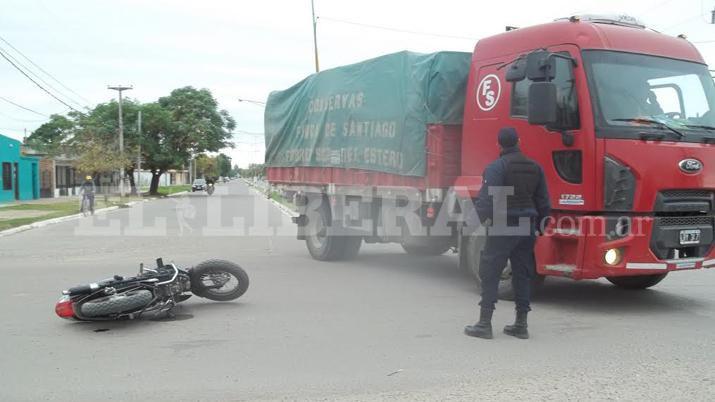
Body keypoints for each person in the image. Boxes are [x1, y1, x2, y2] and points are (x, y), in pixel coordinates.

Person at [464, 127, 551, 340]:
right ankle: (521, 325)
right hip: (526, 226)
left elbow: (487, 201)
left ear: (498, 144)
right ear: (519, 141)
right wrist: (540, 226)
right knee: (522, 274)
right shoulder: (535, 168)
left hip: (503, 225)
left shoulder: (496, 167)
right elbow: (544, 202)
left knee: (490, 271)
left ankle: (484, 324)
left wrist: (470, 224)